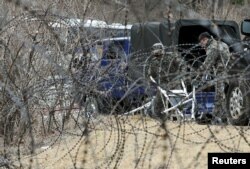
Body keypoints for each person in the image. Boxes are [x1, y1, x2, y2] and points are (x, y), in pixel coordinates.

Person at [198, 32, 231, 124]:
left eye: (201, 42)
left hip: (221, 73)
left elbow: (207, 63)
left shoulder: (213, 47)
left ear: (205, 39)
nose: (201, 46)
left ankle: (215, 118)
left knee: (219, 96)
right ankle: (224, 118)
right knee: (223, 95)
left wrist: (197, 75)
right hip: (228, 72)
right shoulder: (221, 44)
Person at [144, 43, 179, 121]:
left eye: (156, 50)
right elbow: (151, 74)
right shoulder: (154, 62)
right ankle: (162, 118)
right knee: (157, 103)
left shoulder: (170, 57)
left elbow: (181, 66)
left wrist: (178, 79)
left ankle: (168, 115)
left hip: (174, 82)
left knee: (164, 100)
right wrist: (149, 82)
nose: (155, 52)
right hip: (163, 85)